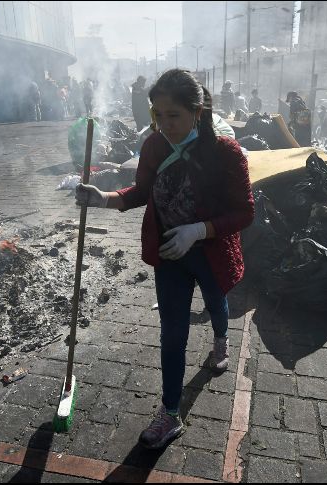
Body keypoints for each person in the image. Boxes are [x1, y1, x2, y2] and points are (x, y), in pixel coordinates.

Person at [75, 69, 254, 450]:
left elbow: (244, 212)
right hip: (170, 253)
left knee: (216, 301)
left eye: (174, 115)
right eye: (158, 115)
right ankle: (171, 413)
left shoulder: (225, 153)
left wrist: (198, 230)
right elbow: (142, 191)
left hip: (209, 253)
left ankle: (221, 340)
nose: (165, 124)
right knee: (172, 333)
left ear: (197, 112)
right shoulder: (155, 146)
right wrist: (103, 199)